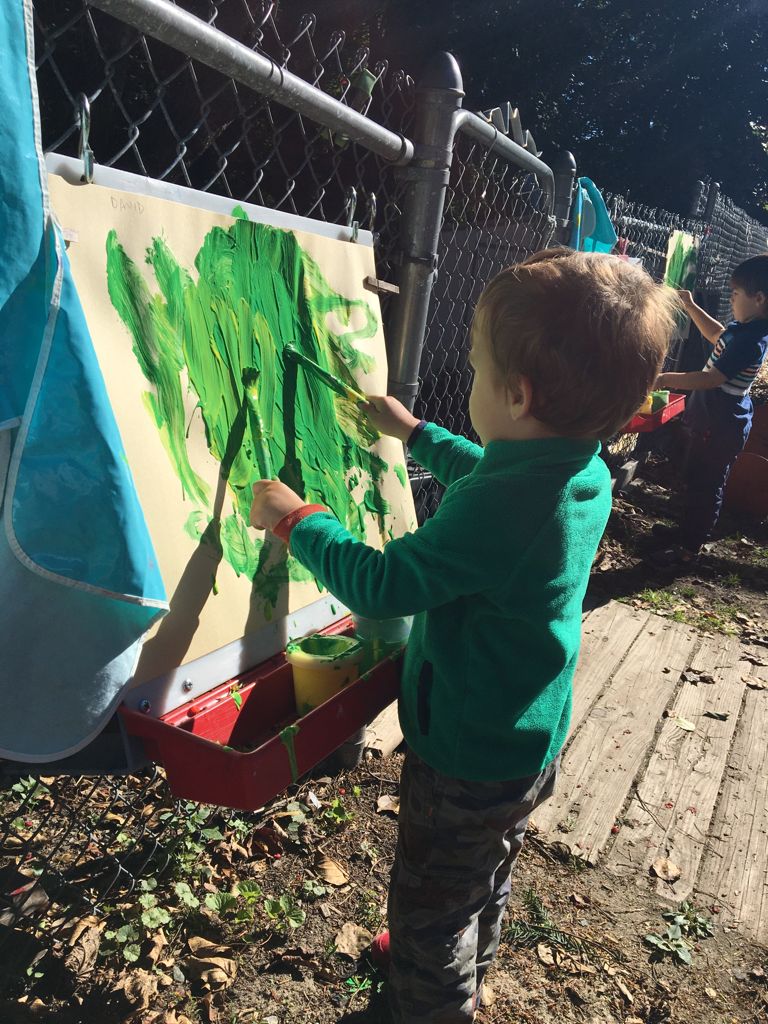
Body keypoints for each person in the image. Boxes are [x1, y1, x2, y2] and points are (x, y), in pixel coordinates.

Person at [250, 248, 677, 1024]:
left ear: (516, 395)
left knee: (428, 909)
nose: (470, 378)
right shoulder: (579, 469)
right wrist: (416, 433)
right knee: (485, 871)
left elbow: (382, 583)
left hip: (467, 750)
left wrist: (296, 518)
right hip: (524, 739)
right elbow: (492, 469)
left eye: (475, 369)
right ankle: (464, 973)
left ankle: (432, 1000)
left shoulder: (508, 508)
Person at [653, 254, 768, 562]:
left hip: (721, 425)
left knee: (707, 485)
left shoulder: (751, 340)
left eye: (735, 294)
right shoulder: (743, 329)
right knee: (696, 479)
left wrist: (663, 377)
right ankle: (685, 533)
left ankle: (690, 548)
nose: (730, 299)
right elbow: (717, 334)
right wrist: (690, 306)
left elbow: (711, 379)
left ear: (758, 299)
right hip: (712, 422)